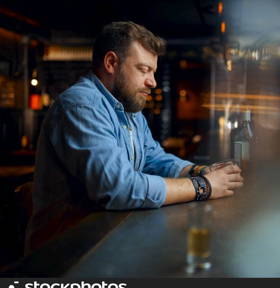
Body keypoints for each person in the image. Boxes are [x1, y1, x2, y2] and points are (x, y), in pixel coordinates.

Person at [26, 21, 243, 252]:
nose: (153, 82)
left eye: (153, 72)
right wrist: (203, 186)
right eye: (143, 69)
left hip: (104, 239)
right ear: (111, 63)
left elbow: (154, 159)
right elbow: (117, 188)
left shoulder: (130, 111)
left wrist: (198, 171)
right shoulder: (81, 105)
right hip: (64, 253)